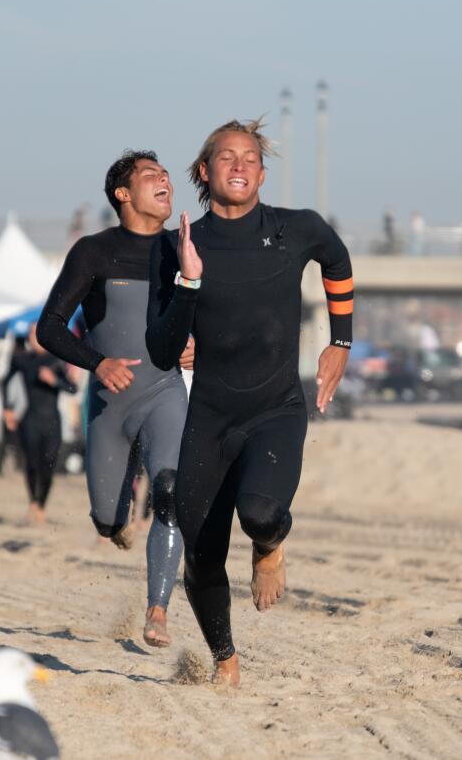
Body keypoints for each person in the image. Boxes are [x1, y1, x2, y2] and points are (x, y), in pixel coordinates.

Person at [146, 119, 353, 686]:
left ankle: (270, 544)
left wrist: (340, 342)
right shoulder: (176, 246)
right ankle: (225, 659)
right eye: (226, 158)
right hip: (209, 418)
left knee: (259, 512)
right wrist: (187, 287)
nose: (239, 166)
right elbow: (162, 350)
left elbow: (337, 261)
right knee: (202, 552)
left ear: (262, 173)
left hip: (275, 409)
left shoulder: (297, 229)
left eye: (249, 158)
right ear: (203, 172)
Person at [36, 150, 194, 648]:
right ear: (123, 194)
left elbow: (206, 308)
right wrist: (96, 362)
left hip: (166, 391)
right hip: (109, 401)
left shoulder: (180, 248)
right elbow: (49, 327)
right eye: (151, 175)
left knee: (170, 491)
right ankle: (116, 515)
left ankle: (157, 611)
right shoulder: (93, 251)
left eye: (165, 174)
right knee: (107, 520)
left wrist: (196, 341)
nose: (164, 179)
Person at [1, 323, 77, 524]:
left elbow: (73, 388)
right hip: (30, 419)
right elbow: (4, 381)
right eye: (31, 334)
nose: (34, 337)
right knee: (32, 464)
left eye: (38, 333)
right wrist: (7, 408)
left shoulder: (56, 360)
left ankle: (41, 504)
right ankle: (33, 502)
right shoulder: (21, 359)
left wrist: (54, 381)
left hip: (52, 421)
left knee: (48, 464)